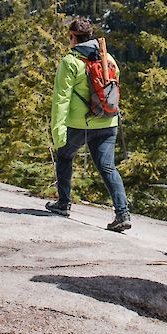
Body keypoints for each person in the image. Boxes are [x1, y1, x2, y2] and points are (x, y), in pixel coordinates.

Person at [47, 16, 132, 233]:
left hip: (79, 124)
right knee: (107, 167)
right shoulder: (108, 58)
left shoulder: (70, 62)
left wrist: (58, 132)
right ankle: (122, 213)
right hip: (107, 122)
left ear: (73, 37)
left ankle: (63, 204)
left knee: (65, 156)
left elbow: (61, 99)